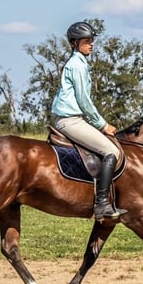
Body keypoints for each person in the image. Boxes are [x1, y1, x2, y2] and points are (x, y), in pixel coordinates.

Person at [51, 21, 127, 221]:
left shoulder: (80, 63)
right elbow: (83, 99)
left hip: (73, 119)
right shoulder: (76, 65)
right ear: (75, 43)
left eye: (92, 40)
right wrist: (102, 125)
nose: (91, 44)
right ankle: (102, 204)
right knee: (111, 151)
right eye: (87, 41)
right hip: (70, 120)